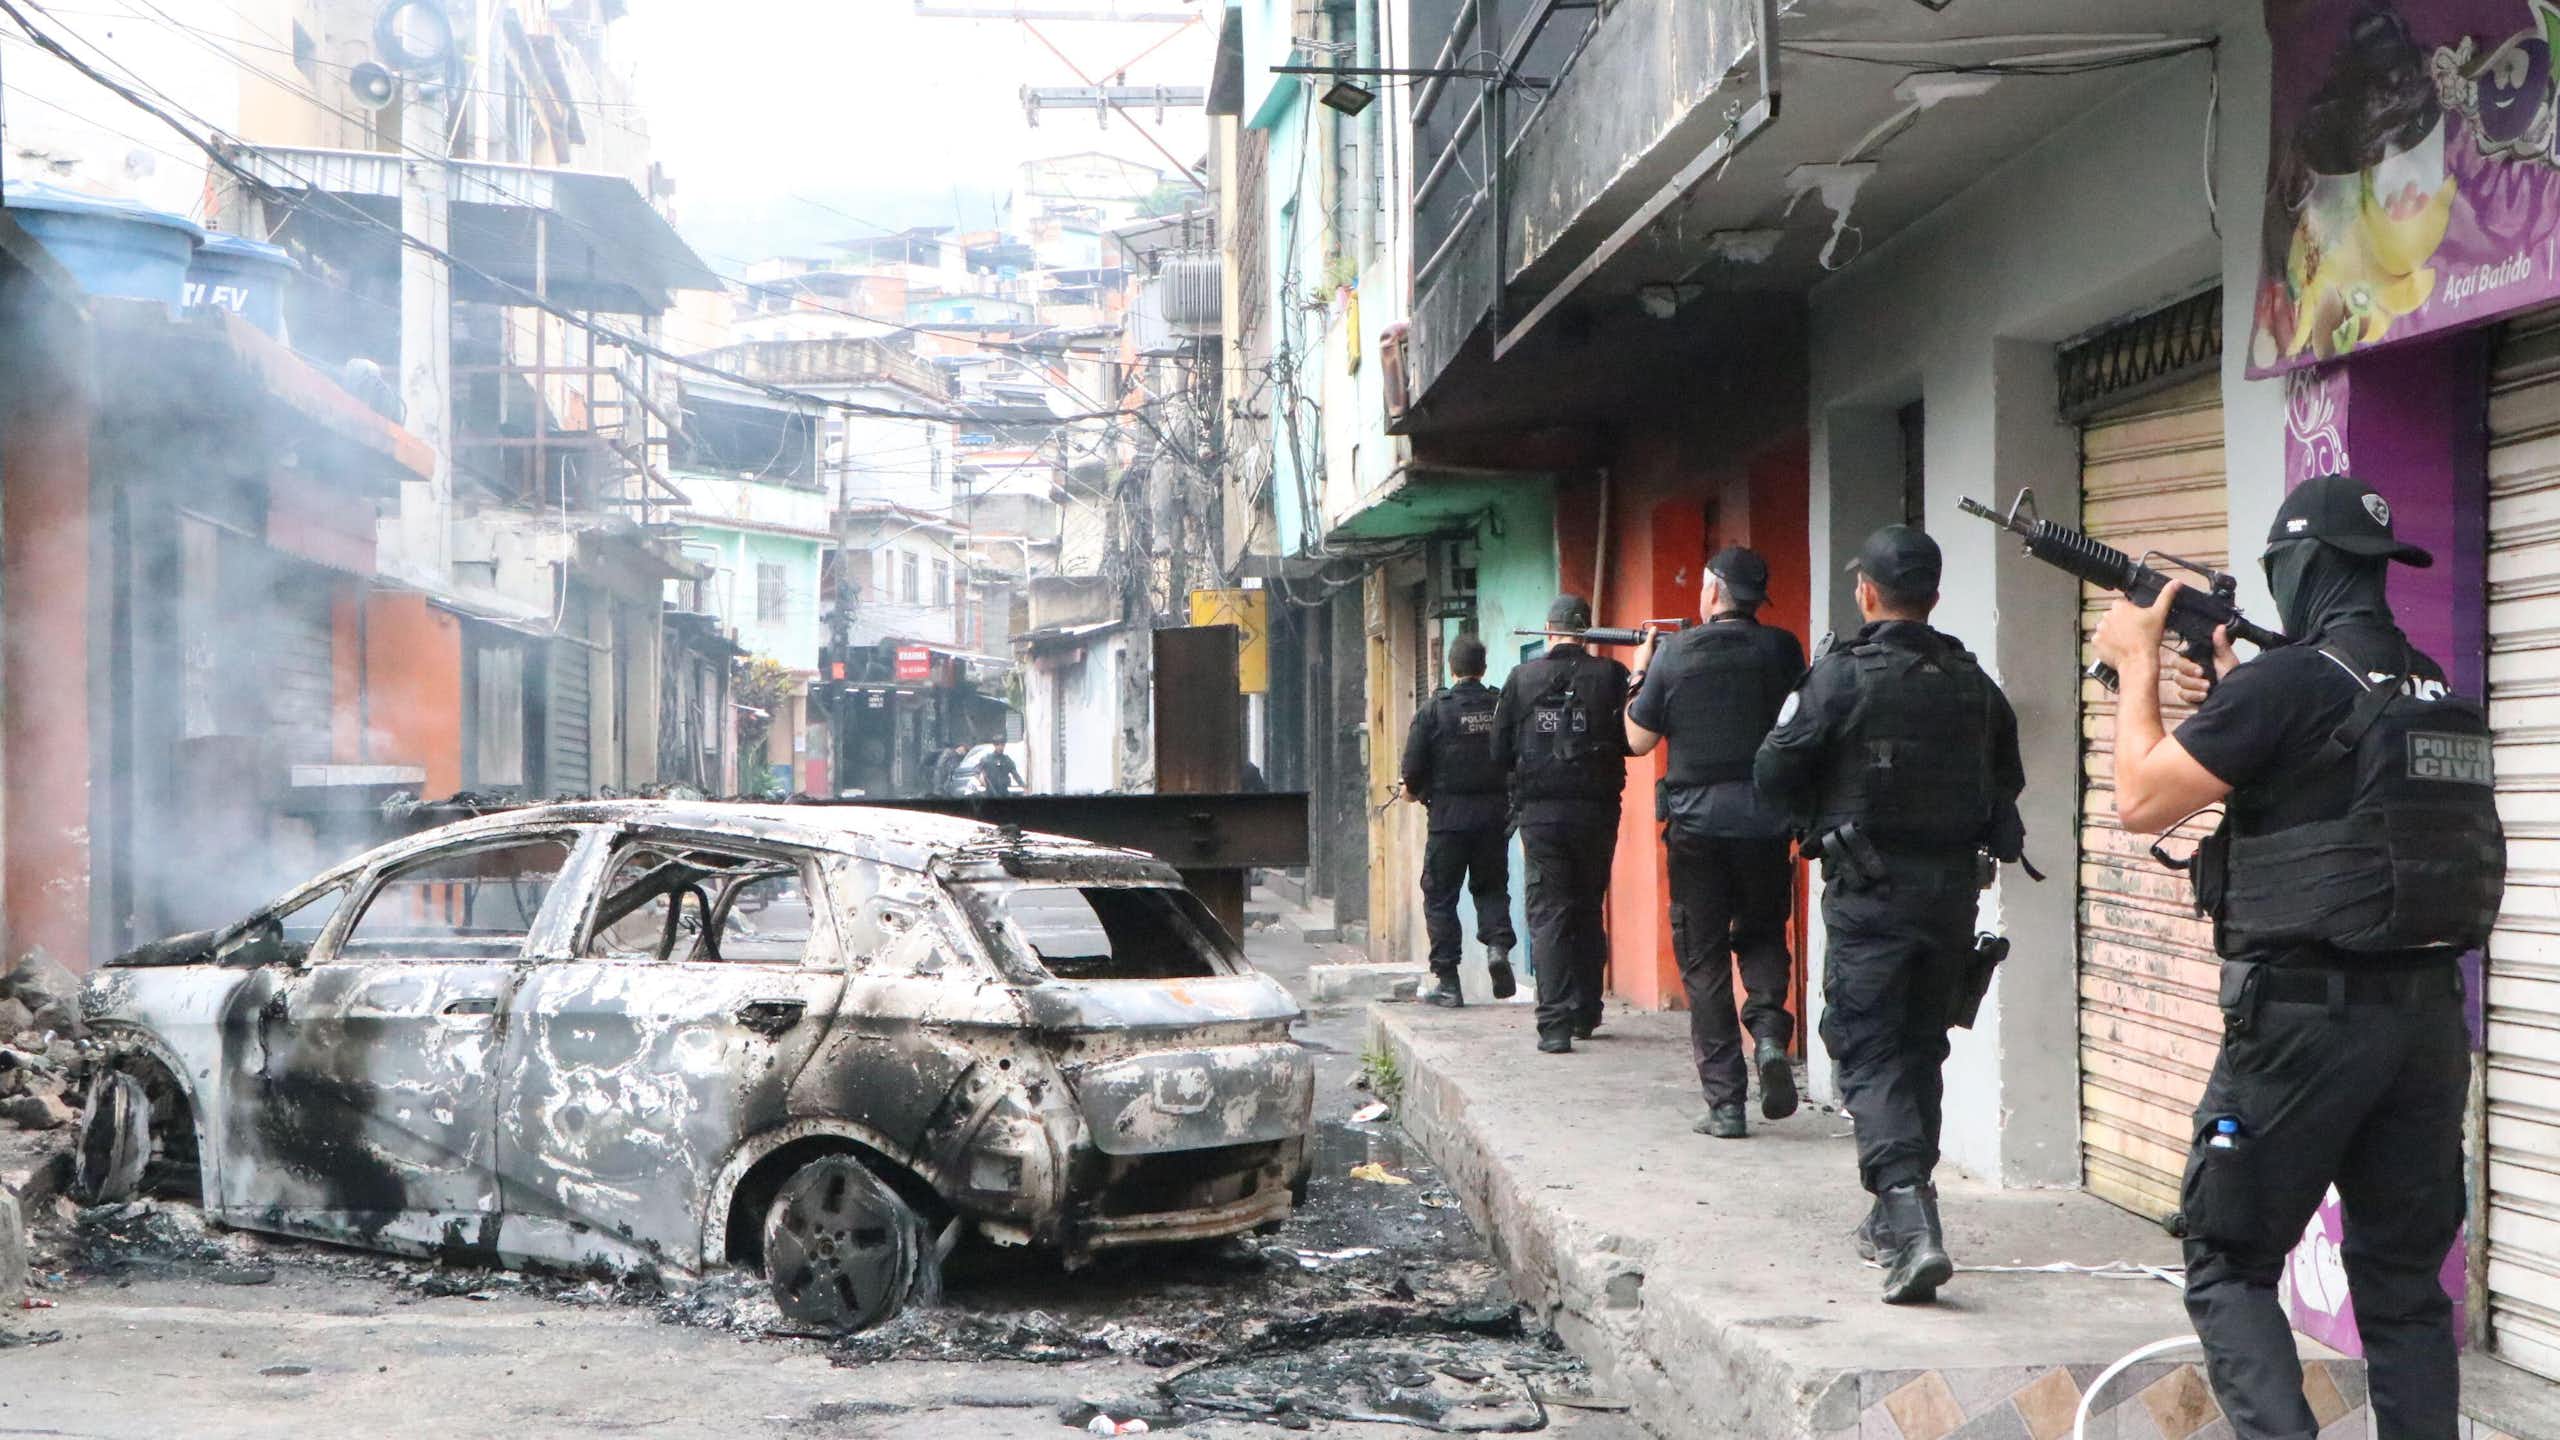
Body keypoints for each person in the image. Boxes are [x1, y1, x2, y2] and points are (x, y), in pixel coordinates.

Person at [2093, 473, 2501, 1440]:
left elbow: (2144, 801)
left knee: (2228, 1263)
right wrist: (2237, 696)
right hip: (2425, 1025)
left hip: (2302, 1026)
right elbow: (2336, 790)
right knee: (2404, 1288)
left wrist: (2135, 664)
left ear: (2294, 567)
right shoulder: (2429, 684)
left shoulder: (2291, 682)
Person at [1754, 525, 2024, 1305]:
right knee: (1919, 1047)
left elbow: (1772, 772)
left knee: (1869, 1052)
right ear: (1934, 595)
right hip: (1949, 898)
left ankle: (1909, 1220)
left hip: (1871, 896)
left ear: (1866, 593)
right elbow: (2006, 777)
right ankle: (1894, 1215)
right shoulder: (1972, 681)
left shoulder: (1841, 677)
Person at [1626, 546, 1807, 1139]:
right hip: (1765, 822)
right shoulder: (1782, 649)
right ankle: (1771, 1034)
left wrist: (1640, 671)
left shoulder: (1675, 656)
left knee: (1702, 959)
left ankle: (1726, 1105)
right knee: (1761, 933)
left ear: (1709, 592)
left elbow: (1637, 741)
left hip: (1697, 828)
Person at [1493, 595, 1632, 1053]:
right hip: (1596, 813)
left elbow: (1498, 752)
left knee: (1549, 912)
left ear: (1549, 631)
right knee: (1588, 906)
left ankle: (1553, 1025)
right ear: (1587, 630)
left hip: (1541, 815)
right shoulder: (1612, 676)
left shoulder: (1521, 678)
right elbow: (1631, 740)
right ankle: (1586, 1011)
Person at [1399, 633, 1519, 1007]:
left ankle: (1449, 982)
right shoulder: (1501, 705)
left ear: (1451, 669)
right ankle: (1498, 947)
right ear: (1483, 669)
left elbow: (1412, 772)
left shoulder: (1434, 710)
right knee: (1491, 888)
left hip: (1448, 821)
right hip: (1493, 819)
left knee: (1440, 897)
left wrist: (1412, 790)